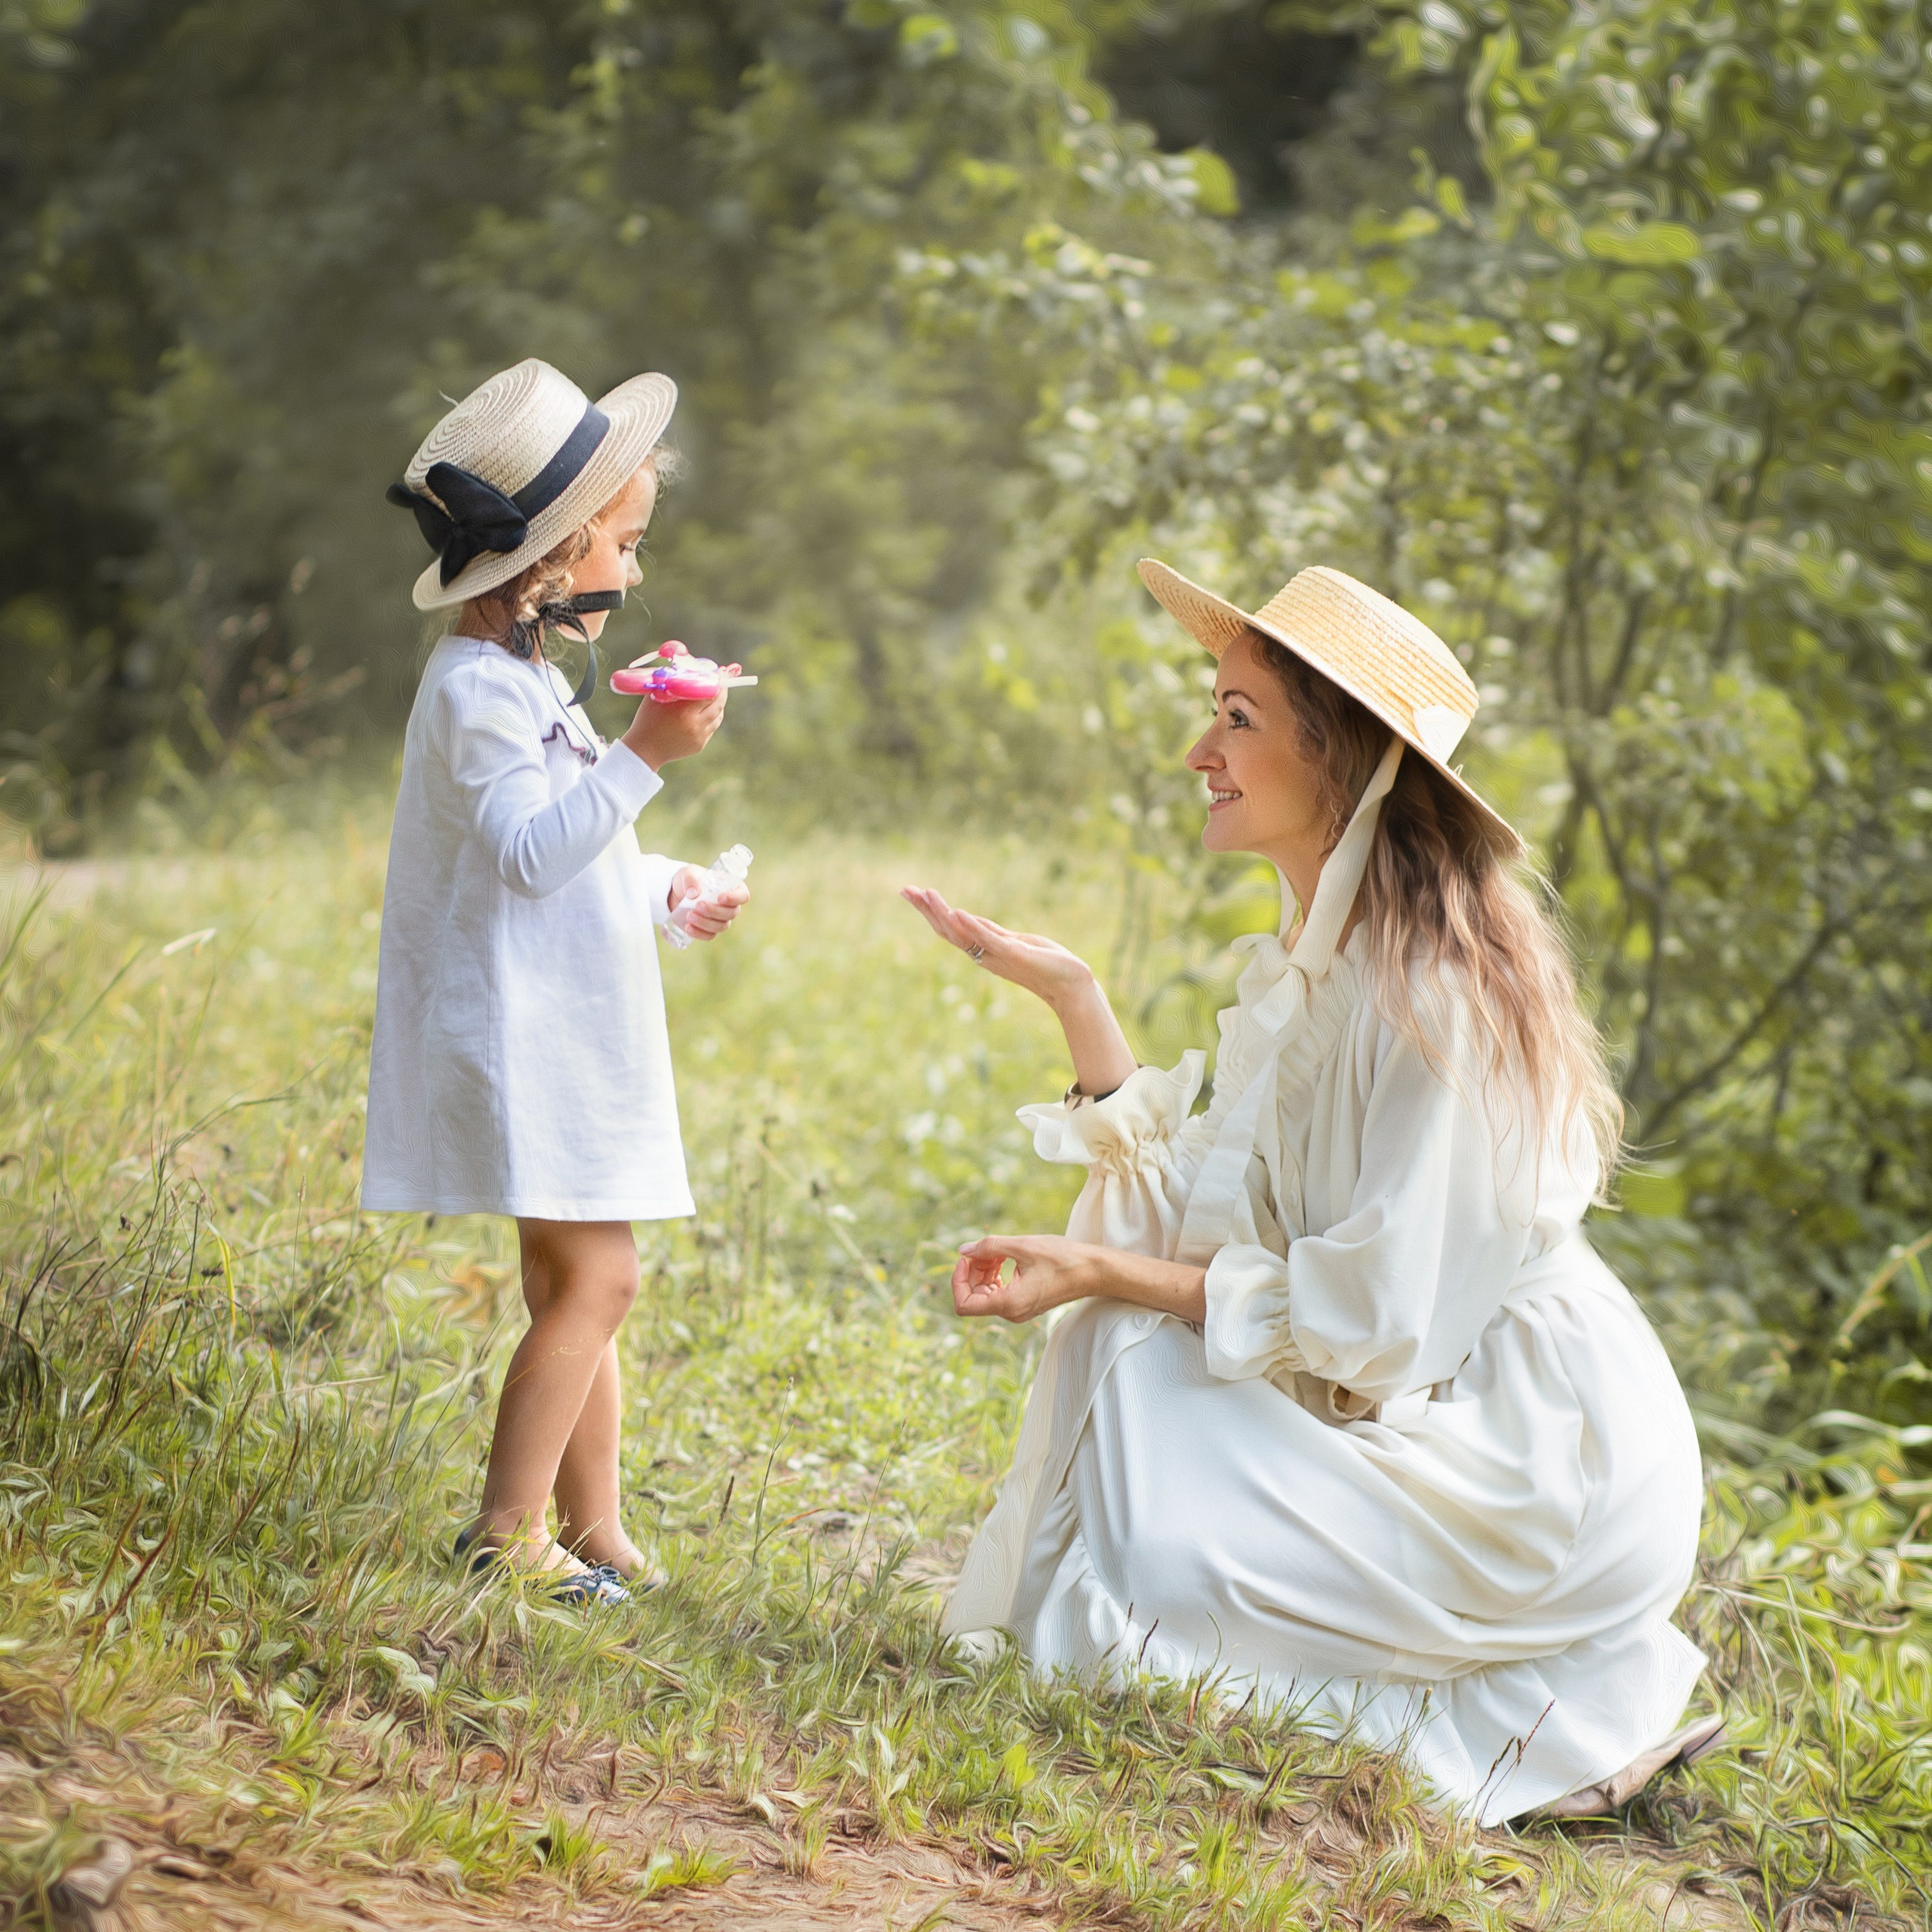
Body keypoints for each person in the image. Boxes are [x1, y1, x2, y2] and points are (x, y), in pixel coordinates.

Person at [902, 561, 1719, 1823]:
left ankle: (1560, 1709)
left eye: (1238, 719)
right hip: (1420, 1394)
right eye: (1213, 711)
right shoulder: (1315, 971)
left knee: (1137, 1426)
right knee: (1125, 1406)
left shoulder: (1435, 997)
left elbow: (1373, 1328)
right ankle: (1509, 1711)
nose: (1199, 750)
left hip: (1538, 1452)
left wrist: (1103, 1271)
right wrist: (1080, 1004)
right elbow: (1216, 1220)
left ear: (1341, 760)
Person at [363, 358, 748, 1603]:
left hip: (563, 1022)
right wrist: (646, 749)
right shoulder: (478, 690)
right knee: (604, 1279)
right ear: (551, 560)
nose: (634, 573)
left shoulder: (523, 680)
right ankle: (507, 1530)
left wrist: (669, 888)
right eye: (624, 545)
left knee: (578, 1282)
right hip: (527, 1034)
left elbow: (579, 850)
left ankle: (597, 1527)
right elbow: (531, 856)